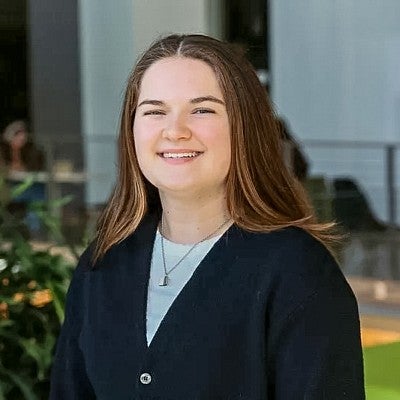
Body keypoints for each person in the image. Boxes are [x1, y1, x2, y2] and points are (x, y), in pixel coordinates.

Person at [49, 34, 365, 399]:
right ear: (131, 130)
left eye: (202, 110)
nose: (175, 130)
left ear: (245, 127)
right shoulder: (102, 264)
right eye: (154, 110)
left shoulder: (298, 273)